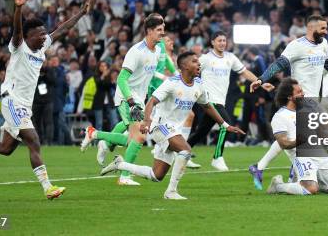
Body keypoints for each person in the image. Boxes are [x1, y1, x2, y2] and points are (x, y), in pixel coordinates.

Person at [0, 0, 95, 200]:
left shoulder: (40, 47)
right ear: (29, 36)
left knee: (5, 148)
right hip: (11, 100)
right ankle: (48, 188)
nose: (45, 36)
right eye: (40, 33)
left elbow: (63, 29)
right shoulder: (19, 46)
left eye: (45, 33)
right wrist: (18, 9)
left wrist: (82, 13)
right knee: (34, 140)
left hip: (23, 106)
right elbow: (17, 30)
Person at [99, 52, 245, 199]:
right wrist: (147, 121)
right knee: (186, 150)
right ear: (184, 66)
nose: (199, 63)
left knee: (156, 175)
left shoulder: (199, 85)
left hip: (174, 130)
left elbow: (207, 106)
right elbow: (151, 101)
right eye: (194, 61)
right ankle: (171, 192)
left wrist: (225, 125)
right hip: (160, 125)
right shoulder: (172, 83)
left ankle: (120, 165)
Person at [248, 14, 328, 190]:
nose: (326, 32)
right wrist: (261, 78)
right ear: (311, 28)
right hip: (298, 97)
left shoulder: (323, 44)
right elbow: (279, 63)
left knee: (298, 136)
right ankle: (285, 171)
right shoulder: (297, 46)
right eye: (323, 28)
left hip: (312, 99)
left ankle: (262, 167)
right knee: (312, 132)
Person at [80, 14, 165, 186]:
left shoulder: (158, 50)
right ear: (149, 31)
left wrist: (153, 95)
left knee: (132, 140)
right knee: (140, 136)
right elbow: (121, 79)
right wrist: (132, 101)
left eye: (163, 29)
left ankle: (96, 135)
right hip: (127, 97)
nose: (162, 33)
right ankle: (124, 175)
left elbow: (146, 78)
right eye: (159, 30)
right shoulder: (136, 52)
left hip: (140, 97)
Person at [187, 31, 273, 171]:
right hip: (209, 100)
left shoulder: (230, 58)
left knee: (201, 131)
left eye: (224, 40)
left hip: (221, 100)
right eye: (219, 40)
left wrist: (261, 83)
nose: (222, 43)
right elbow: (190, 70)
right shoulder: (206, 58)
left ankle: (182, 152)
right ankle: (217, 157)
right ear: (212, 42)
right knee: (225, 125)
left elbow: (244, 72)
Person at [266, 78, 328, 196]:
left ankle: (310, 181)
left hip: (319, 153)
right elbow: (283, 143)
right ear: (290, 97)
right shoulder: (280, 116)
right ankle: (278, 186)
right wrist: (298, 141)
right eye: (299, 92)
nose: (303, 94)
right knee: (310, 190)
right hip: (301, 156)